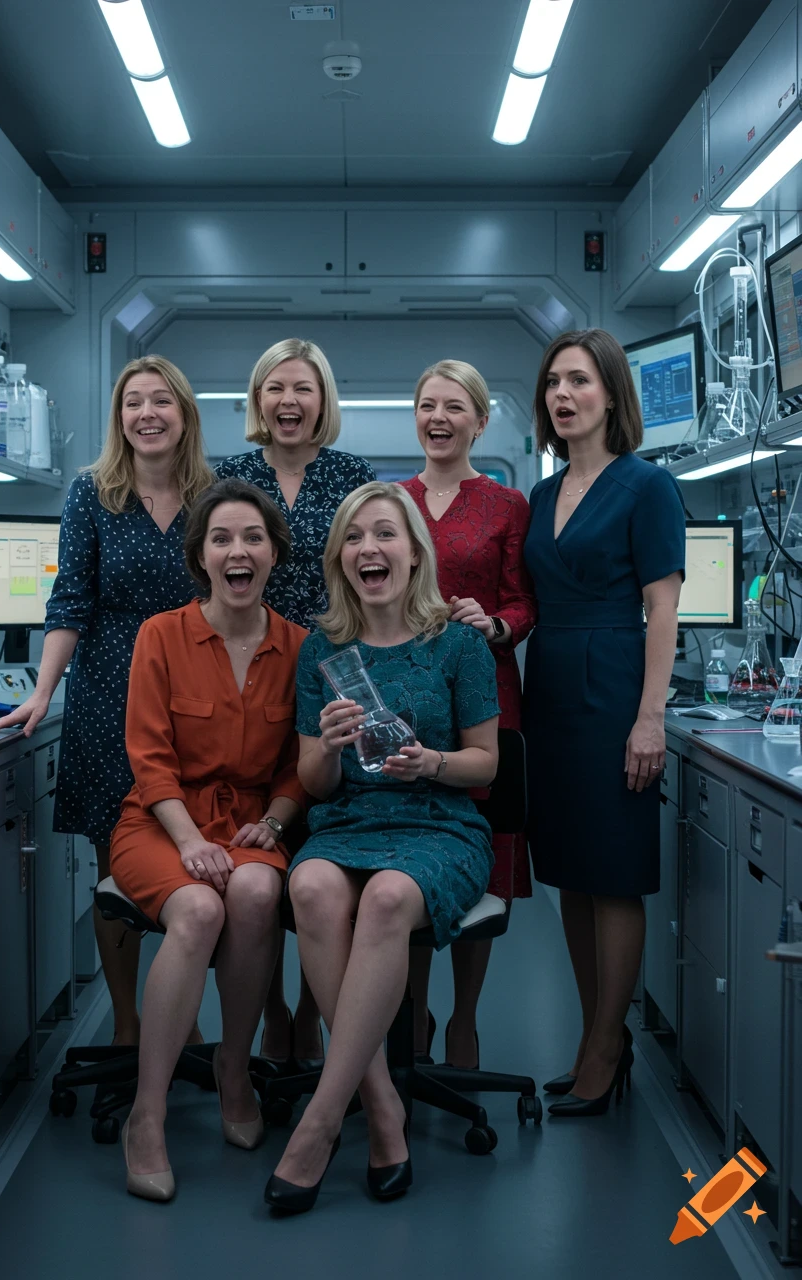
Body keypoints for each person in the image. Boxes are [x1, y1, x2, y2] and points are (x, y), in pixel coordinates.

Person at [264, 482, 500, 1214]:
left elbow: (486, 766)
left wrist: (429, 762)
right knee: (310, 891)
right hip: (349, 822)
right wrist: (330, 747)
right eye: (356, 538)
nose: (372, 548)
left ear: (413, 552)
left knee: (391, 897)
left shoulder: (458, 642)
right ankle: (381, 1105)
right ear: (340, 558)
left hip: (439, 823)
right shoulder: (323, 649)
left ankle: (318, 1125)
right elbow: (314, 782)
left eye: (386, 535)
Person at [0, 356, 214, 1050]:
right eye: (132, 403)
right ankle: (127, 1024)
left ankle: (186, 1021)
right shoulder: (94, 494)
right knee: (119, 867)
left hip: (197, 698)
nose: (147, 414)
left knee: (197, 860)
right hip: (109, 696)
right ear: (120, 419)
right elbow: (70, 603)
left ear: (184, 414)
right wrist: (43, 693)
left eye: (161, 402)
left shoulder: (215, 493)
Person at [111, 479, 308, 1201]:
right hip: (159, 820)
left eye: (253, 538)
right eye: (221, 539)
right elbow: (149, 758)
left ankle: (233, 1068)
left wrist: (279, 820)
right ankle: (149, 1115)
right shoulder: (161, 634)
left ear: (273, 554)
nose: (238, 551)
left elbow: (298, 765)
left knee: (257, 891)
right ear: (201, 557)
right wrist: (191, 839)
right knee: (198, 909)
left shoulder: (298, 647)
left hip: (253, 819)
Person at [522, 329, 684, 1117]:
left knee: (614, 875)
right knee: (572, 876)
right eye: (553, 382)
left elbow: (664, 609)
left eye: (579, 381)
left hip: (616, 686)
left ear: (612, 395)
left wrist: (649, 718)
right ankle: (593, 1034)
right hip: (550, 687)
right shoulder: (543, 495)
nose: (563, 395)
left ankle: (608, 1045)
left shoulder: (646, 486)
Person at [215, 338, 375, 1067]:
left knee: (322, 846)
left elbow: (374, 571)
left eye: (303, 388)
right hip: (248, 673)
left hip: (333, 675)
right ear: (258, 399)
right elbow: (213, 569)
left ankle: (312, 1009)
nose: (288, 401)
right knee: (257, 843)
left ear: (323, 401)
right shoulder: (233, 475)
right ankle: (271, 1008)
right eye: (275, 387)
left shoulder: (351, 476)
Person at [400, 359, 537, 1070]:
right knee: (415, 857)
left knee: (483, 864)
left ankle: (465, 1020)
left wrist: (494, 624)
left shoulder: (507, 505)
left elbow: (524, 602)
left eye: (456, 406)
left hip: (487, 696)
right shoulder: (393, 501)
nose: (440, 417)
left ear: (481, 420)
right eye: (428, 405)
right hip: (412, 700)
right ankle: (415, 1013)